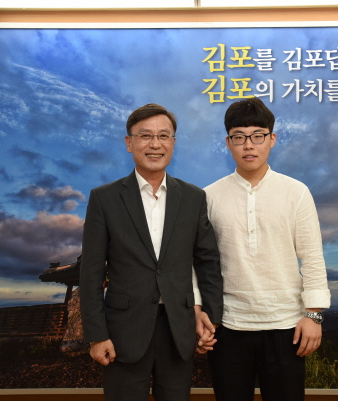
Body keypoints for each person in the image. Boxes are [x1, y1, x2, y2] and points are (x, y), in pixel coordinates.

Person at [79, 103, 223, 401]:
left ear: (173, 142)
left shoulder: (194, 197)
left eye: (163, 136)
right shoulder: (104, 198)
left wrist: (211, 315)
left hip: (179, 328)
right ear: (129, 142)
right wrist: (97, 335)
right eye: (145, 136)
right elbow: (91, 272)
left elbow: (207, 261)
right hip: (123, 332)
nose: (155, 144)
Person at [202, 97, 331, 401]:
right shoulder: (209, 196)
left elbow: (312, 256)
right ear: (228, 143)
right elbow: (199, 262)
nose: (249, 145)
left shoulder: (296, 192)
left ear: (272, 139)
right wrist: (200, 313)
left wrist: (313, 315)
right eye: (239, 137)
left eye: (257, 136)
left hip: (286, 325)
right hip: (228, 326)